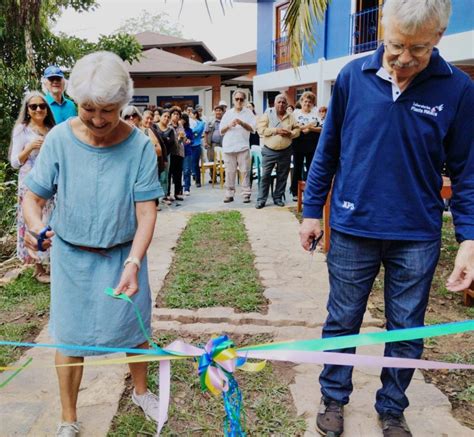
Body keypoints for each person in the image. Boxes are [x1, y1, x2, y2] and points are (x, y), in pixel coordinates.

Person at [298, 1, 474, 436]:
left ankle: (392, 407)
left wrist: (469, 238)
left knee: (406, 327)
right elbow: (329, 150)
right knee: (342, 320)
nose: (404, 58)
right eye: (396, 45)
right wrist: (310, 212)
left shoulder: (458, 88)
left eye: (418, 48)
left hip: (416, 233)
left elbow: (467, 168)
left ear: (439, 36)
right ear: (382, 28)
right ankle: (333, 398)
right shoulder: (352, 77)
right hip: (353, 226)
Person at [22, 51, 163, 436]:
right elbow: (33, 199)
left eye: (109, 110)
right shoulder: (59, 140)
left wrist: (134, 262)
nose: (99, 120)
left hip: (123, 254)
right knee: (69, 338)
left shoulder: (138, 147)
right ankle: (68, 417)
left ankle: (140, 391)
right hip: (71, 257)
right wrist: (37, 228)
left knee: (136, 330)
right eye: (88, 109)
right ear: (74, 100)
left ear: (123, 104)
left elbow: (146, 213)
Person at [9, 91, 56, 283]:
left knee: (50, 218)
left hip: (51, 182)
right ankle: (38, 267)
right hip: (29, 182)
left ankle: (53, 263)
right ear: (27, 110)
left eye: (42, 106)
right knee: (32, 220)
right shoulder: (22, 130)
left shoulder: (53, 129)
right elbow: (14, 162)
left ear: (47, 109)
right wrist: (29, 148)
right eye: (33, 106)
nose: (38, 109)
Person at [255, 94, 300, 209]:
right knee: (265, 176)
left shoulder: (290, 116)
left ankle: (278, 197)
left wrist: (291, 133)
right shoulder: (268, 115)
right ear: (274, 104)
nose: (281, 104)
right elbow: (260, 130)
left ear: (286, 104)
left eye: (283, 102)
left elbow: (297, 128)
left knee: (283, 175)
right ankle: (261, 200)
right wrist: (276, 130)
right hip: (269, 150)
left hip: (286, 150)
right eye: (279, 102)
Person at [219, 90, 256, 203]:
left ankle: (246, 194)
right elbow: (221, 131)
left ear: (244, 100)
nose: (239, 101)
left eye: (241, 99)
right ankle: (229, 194)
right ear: (233, 100)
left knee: (245, 171)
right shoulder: (228, 113)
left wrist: (241, 123)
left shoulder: (249, 113)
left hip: (243, 146)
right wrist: (229, 125)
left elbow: (253, 129)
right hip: (229, 146)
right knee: (230, 172)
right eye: (237, 99)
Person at [290, 91, 321, 201]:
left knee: (311, 168)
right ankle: (295, 192)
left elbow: (321, 128)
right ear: (301, 101)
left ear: (313, 104)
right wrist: (308, 126)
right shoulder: (295, 113)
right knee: (297, 168)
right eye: (305, 101)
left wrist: (311, 129)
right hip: (298, 143)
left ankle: (309, 191)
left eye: (310, 102)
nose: (307, 103)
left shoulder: (316, 114)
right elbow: (293, 126)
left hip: (312, 144)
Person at [155, 109, 176, 204]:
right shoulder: (154, 127)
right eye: (165, 116)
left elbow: (171, 143)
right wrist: (165, 138)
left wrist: (162, 139)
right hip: (154, 155)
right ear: (160, 116)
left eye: (168, 117)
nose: (166, 118)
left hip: (166, 155)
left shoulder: (170, 130)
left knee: (165, 176)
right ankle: (155, 197)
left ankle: (164, 195)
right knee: (155, 176)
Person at [204, 104, 225, 181]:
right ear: (214, 112)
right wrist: (206, 142)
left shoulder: (225, 121)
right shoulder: (210, 121)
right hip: (212, 144)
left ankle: (223, 177)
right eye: (216, 110)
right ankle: (213, 178)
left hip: (222, 144)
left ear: (222, 112)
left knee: (222, 160)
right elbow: (206, 132)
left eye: (220, 110)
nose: (218, 112)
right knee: (211, 160)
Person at [169, 107, 185, 200]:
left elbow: (184, 137)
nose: (176, 115)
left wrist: (183, 138)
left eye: (178, 114)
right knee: (169, 174)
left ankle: (177, 193)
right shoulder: (168, 124)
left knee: (178, 174)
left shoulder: (180, 125)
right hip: (171, 152)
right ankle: (167, 194)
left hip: (179, 152)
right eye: (174, 114)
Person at [190, 109, 206, 187]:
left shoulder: (201, 123)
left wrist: (190, 132)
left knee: (196, 163)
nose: (190, 116)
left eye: (191, 114)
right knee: (190, 163)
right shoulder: (189, 123)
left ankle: (198, 181)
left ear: (195, 115)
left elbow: (197, 130)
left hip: (196, 144)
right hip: (189, 145)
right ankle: (192, 178)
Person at [180, 113, 194, 196]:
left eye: (183, 119)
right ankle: (179, 189)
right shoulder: (175, 129)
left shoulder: (189, 130)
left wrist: (189, 141)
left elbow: (192, 140)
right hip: (178, 152)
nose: (181, 121)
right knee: (178, 171)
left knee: (187, 170)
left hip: (187, 151)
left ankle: (186, 187)